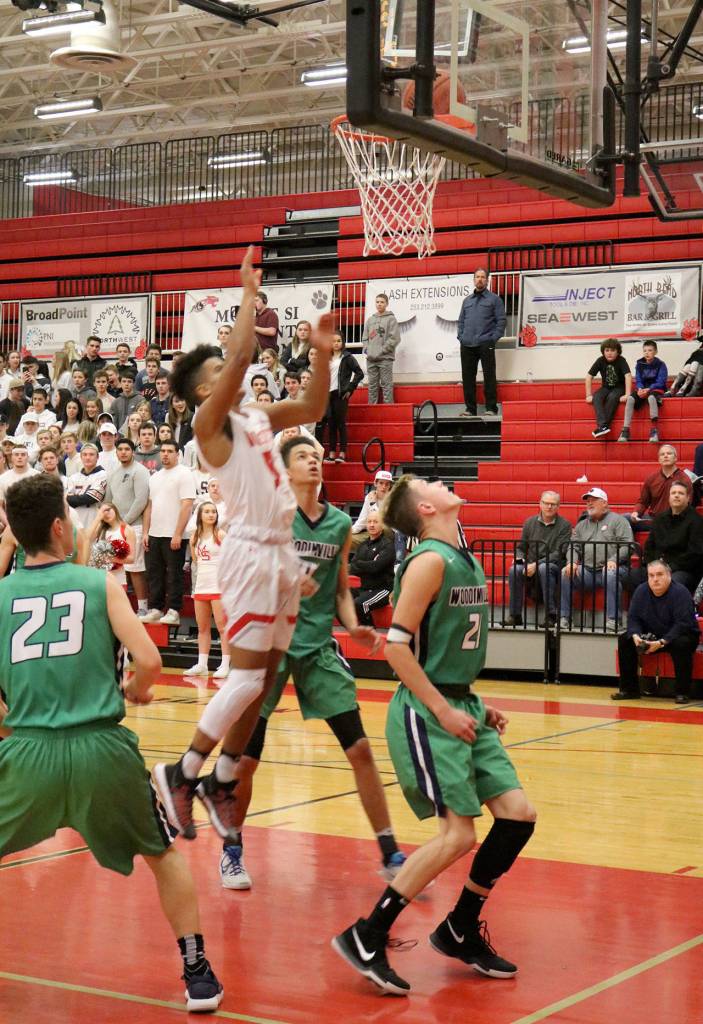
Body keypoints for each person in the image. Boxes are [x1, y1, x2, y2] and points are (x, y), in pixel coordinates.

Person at [0, 475, 223, 1012]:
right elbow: (148, 661)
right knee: (163, 854)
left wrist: (15, 731)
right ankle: (197, 973)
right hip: (102, 748)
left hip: (28, 751)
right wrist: (138, 690)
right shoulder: (98, 584)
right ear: (59, 526)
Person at [152, 245, 333, 845]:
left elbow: (312, 405)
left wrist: (326, 357)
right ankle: (181, 771)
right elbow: (239, 359)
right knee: (248, 677)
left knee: (268, 673)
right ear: (204, 389)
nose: (230, 373)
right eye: (218, 372)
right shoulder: (208, 428)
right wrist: (250, 297)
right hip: (251, 550)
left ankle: (222, 777)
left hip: (278, 549)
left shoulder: (255, 416)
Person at [332, 473, 535, 995]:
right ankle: (367, 933)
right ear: (424, 507)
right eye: (429, 482)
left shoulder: (460, 555)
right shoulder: (427, 561)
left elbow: (442, 645)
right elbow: (395, 648)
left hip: (458, 698)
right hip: (427, 713)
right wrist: (444, 709)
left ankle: (460, 926)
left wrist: (472, 702)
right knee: (459, 834)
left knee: (517, 817)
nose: (441, 483)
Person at [228, 437, 403, 889]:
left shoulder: (341, 523)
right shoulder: (270, 521)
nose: (314, 462)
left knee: (361, 749)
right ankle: (231, 849)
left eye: (318, 457)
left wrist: (354, 624)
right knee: (246, 762)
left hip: (317, 646)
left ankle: (390, 851)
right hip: (270, 646)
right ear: (284, 471)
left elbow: (342, 587)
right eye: (304, 457)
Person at [611, 560, 700, 704]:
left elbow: (682, 624)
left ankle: (682, 692)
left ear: (669, 575)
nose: (655, 579)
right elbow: (633, 618)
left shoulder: (680, 592)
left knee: (682, 644)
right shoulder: (641, 590)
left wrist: (661, 642)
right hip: (653, 634)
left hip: (680, 634)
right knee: (625, 639)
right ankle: (629, 690)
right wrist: (636, 635)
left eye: (659, 575)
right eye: (651, 575)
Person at [560, 487, 633, 631]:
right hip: (588, 571)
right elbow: (573, 547)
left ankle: (614, 620)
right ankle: (564, 617)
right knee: (565, 572)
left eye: (594, 500)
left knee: (610, 573)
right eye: (588, 501)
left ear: (605, 503)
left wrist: (614, 560)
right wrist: (572, 562)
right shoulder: (582, 525)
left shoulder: (619, 521)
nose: (589, 504)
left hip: (617, 568)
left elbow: (627, 545)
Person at [141, 441, 196, 626]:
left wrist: (178, 533)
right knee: (154, 573)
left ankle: (173, 610)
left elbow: (187, 504)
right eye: (162, 451)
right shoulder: (154, 477)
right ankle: (155, 609)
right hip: (155, 533)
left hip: (174, 534)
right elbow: (149, 506)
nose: (165, 454)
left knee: (174, 574)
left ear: (178, 453)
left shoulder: (185, 474)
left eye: (169, 451)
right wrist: (146, 532)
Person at [505, 491, 572, 627]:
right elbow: (521, 547)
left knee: (544, 567)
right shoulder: (529, 522)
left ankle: (551, 615)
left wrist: (536, 564)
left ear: (558, 507)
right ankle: (515, 615)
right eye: (546, 503)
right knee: (514, 570)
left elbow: (559, 552)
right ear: (540, 504)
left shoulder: (565, 525)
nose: (549, 507)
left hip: (554, 565)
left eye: (553, 504)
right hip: (531, 564)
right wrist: (520, 559)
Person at [105, 439, 151, 616]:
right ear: (116, 452)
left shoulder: (140, 471)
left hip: (134, 526)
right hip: (115, 526)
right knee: (114, 567)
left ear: (133, 451)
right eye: (120, 449)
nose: (123, 452)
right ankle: (116, 605)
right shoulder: (113, 473)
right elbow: (108, 500)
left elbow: (141, 500)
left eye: (127, 449)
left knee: (135, 568)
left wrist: (123, 523)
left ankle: (142, 607)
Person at [185, 501, 230, 681]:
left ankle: (225, 664)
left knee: (222, 627)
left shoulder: (221, 534)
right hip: (201, 585)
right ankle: (202, 664)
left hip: (219, 586)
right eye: (207, 512)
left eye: (214, 512)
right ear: (200, 516)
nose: (211, 515)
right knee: (202, 627)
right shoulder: (194, 536)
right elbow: (196, 561)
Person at [457, 269, 505, 417]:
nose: (480, 280)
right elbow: (461, 321)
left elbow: (501, 321)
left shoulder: (495, 299)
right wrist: (461, 336)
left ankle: (491, 408)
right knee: (467, 378)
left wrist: (493, 338)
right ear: (473, 280)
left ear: (487, 280)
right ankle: (470, 409)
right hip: (467, 344)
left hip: (486, 342)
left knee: (489, 376)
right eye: (477, 277)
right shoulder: (467, 301)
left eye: (483, 277)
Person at [641, 482, 703, 593]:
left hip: (683, 570)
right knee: (633, 577)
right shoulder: (660, 518)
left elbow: (695, 553)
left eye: (681, 493)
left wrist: (668, 567)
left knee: (672, 582)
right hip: (658, 566)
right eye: (673, 493)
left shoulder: (696, 521)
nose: (676, 495)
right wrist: (653, 565)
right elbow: (649, 546)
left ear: (688, 498)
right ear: (669, 498)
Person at [627, 444, 692, 534]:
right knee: (623, 520)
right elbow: (643, 502)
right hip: (654, 519)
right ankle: (630, 548)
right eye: (662, 454)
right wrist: (636, 513)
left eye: (669, 453)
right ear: (659, 459)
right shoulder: (652, 478)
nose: (665, 456)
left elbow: (688, 506)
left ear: (675, 458)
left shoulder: (684, 479)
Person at [320, 332, 364, 464]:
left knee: (340, 424)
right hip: (328, 395)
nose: (336, 343)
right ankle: (332, 453)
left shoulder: (347, 357)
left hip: (341, 394)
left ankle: (342, 453)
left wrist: (350, 388)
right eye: (333, 341)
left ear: (343, 342)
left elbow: (359, 373)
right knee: (331, 424)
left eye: (339, 341)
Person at [349, 509, 396, 625]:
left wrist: (360, 563)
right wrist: (368, 564)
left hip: (383, 590)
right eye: (369, 522)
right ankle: (355, 629)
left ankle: (371, 633)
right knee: (340, 597)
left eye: (375, 522)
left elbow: (376, 567)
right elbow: (353, 568)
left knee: (360, 604)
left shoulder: (388, 545)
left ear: (382, 525)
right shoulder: (363, 545)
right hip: (365, 588)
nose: (371, 525)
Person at [617, 341, 667, 444]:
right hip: (642, 389)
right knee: (630, 398)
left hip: (655, 389)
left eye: (650, 350)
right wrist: (640, 388)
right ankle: (625, 431)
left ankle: (654, 431)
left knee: (651, 398)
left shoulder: (661, 365)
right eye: (645, 351)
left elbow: (661, 381)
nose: (647, 353)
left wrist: (649, 389)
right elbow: (638, 380)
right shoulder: (639, 364)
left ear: (655, 352)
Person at [585, 340, 631, 439]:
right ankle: (603, 425)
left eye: (613, 350)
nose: (609, 353)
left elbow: (628, 376)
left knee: (612, 397)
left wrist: (627, 394)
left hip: (619, 387)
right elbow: (589, 376)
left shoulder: (621, 360)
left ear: (618, 352)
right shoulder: (600, 360)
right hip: (606, 387)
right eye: (607, 350)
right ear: (603, 352)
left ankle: (603, 426)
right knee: (596, 396)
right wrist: (588, 395)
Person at [363, 293, 401, 405]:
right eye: (377, 302)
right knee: (372, 386)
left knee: (386, 385)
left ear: (387, 304)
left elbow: (395, 338)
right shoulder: (370, 320)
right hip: (371, 359)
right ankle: (372, 411)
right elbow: (365, 337)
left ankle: (389, 411)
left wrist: (382, 350)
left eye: (382, 302)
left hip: (385, 358)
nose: (379, 304)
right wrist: (367, 349)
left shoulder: (391, 319)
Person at [89, 502, 136, 589]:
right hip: (100, 577)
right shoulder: (100, 529)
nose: (106, 514)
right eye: (102, 513)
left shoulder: (127, 530)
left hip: (118, 579)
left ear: (114, 509)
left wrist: (109, 558)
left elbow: (131, 559)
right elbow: (86, 538)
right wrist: (97, 519)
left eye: (107, 510)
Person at [66, 443, 108, 531]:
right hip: (76, 520)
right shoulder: (74, 477)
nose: (88, 457)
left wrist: (71, 498)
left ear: (97, 457)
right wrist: (70, 499)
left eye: (91, 454)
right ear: (81, 457)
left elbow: (91, 498)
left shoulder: (103, 475)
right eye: (84, 455)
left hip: (94, 519)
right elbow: (68, 502)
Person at [351, 469, 394, 548]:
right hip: (372, 533)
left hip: (388, 534)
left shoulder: (393, 499)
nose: (384, 487)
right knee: (347, 539)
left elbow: (382, 521)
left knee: (382, 527)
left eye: (387, 484)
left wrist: (373, 504)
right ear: (375, 483)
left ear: (390, 486)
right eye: (381, 483)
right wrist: (350, 531)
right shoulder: (369, 497)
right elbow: (362, 520)